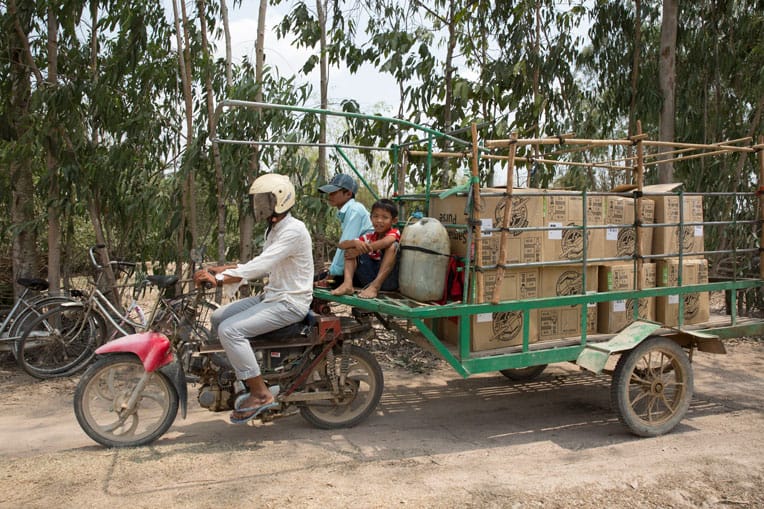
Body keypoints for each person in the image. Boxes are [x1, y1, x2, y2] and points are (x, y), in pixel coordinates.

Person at [194, 173, 313, 424]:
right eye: (258, 201)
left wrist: (221, 279)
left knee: (230, 331)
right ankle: (242, 376)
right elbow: (262, 263)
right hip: (273, 296)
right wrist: (223, 269)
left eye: (264, 201)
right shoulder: (276, 229)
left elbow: (262, 264)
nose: (259, 206)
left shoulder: (293, 230)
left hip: (290, 303)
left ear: (281, 201)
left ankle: (260, 394)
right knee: (218, 316)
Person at [330, 198, 400, 299]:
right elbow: (341, 245)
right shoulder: (369, 236)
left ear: (394, 220)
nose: (379, 220)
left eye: (385, 217)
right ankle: (347, 284)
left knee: (393, 246)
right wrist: (354, 243)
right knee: (351, 248)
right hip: (368, 279)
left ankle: (375, 287)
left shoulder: (394, 232)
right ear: (370, 218)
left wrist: (360, 251)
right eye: (375, 216)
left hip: (387, 281)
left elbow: (386, 242)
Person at [318, 173, 373, 287]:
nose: (330, 195)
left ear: (348, 194)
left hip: (367, 266)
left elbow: (345, 246)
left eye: (333, 192)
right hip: (359, 262)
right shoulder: (348, 211)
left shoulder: (354, 210)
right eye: (329, 192)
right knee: (318, 278)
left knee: (318, 281)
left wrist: (330, 275)